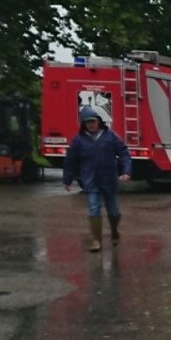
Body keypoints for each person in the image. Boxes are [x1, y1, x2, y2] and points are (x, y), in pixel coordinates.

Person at [62, 106, 132, 252]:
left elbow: (124, 153)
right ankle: (96, 240)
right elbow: (70, 160)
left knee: (113, 211)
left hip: (109, 180)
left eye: (93, 121)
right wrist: (67, 179)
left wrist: (126, 171)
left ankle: (114, 231)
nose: (91, 124)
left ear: (99, 121)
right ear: (84, 124)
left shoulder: (110, 136)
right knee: (94, 209)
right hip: (90, 181)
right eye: (88, 122)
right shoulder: (78, 140)